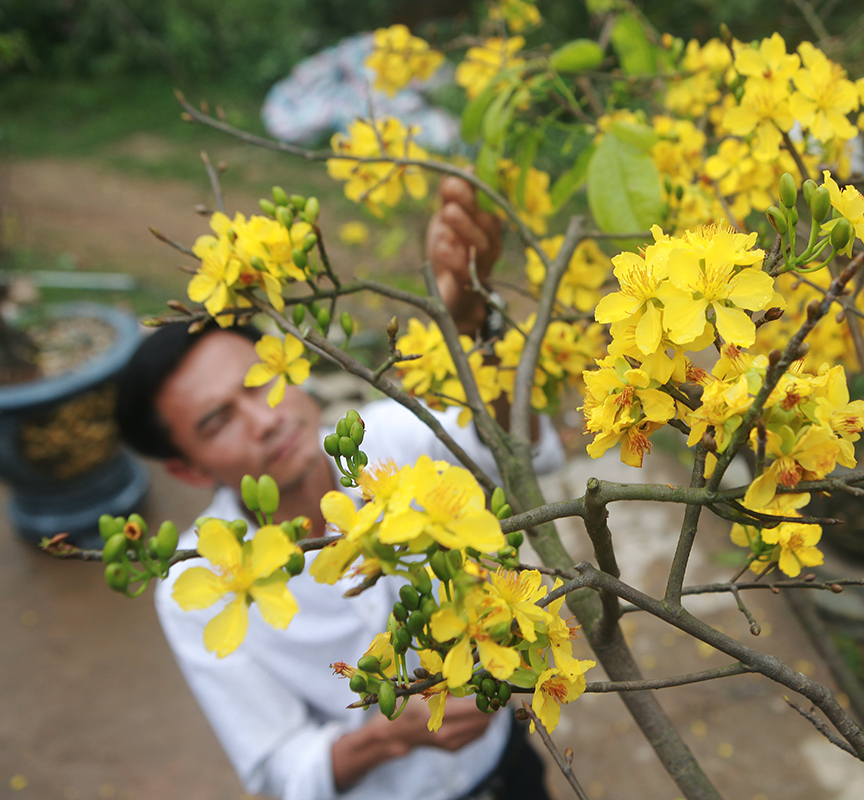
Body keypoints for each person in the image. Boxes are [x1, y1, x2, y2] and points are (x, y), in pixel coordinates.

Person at [114, 177, 559, 800]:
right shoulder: (197, 586)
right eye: (219, 422)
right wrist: (394, 734)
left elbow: (523, 450)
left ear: (291, 366)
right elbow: (278, 768)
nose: (264, 419)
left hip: (508, 766)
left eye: (258, 383)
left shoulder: (394, 439)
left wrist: (473, 323)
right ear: (188, 470)